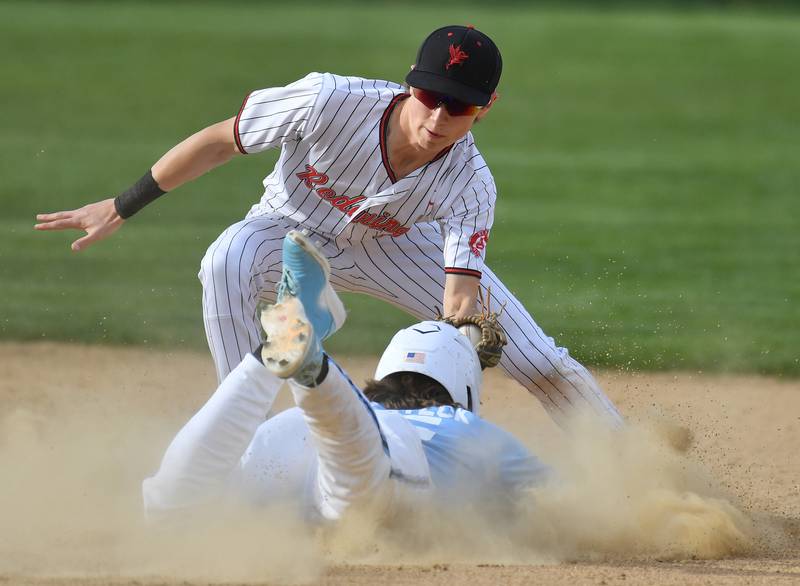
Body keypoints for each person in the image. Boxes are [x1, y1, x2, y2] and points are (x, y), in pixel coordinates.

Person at [34, 25, 622, 427]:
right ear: (408, 81)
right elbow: (219, 143)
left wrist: (458, 346)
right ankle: (246, 437)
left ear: (487, 107)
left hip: (393, 247)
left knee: (540, 361)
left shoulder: (471, 183)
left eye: (460, 106)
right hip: (285, 228)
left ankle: (634, 475)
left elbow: (459, 297)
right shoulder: (327, 100)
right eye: (429, 94)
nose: (438, 116)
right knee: (226, 260)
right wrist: (121, 203)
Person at [143, 231, 549, 524]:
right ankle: (309, 363)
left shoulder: (364, 403)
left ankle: (278, 353)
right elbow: (557, 496)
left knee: (170, 507)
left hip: (288, 440)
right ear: (462, 389)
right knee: (352, 501)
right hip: (361, 450)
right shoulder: (461, 424)